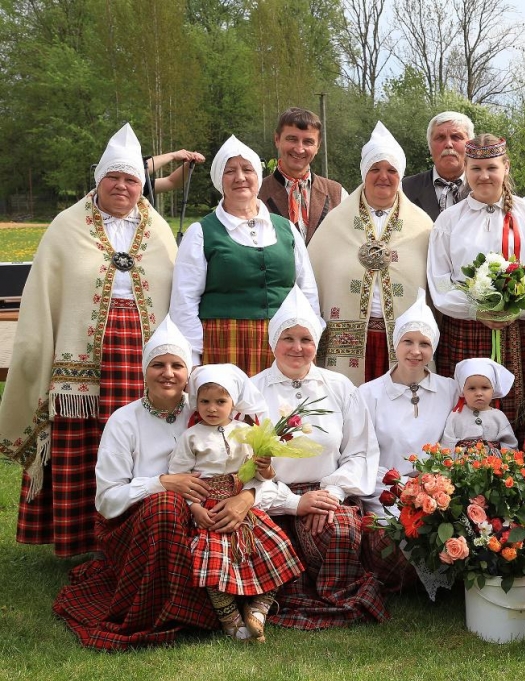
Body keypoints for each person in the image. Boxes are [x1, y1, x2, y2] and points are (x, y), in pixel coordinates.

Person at [0, 123, 177, 557]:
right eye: (113, 178)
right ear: (98, 179)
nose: (122, 186)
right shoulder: (66, 226)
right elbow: (43, 296)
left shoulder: (159, 232)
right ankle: (82, 538)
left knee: (141, 437)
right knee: (83, 443)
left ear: (142, 185)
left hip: (141, 353)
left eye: (131, 179)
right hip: (79, 360)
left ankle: (140, 536)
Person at [53, 318, 220, 649]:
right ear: (144, 371)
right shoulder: (124, 420)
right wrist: (160, 483)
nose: (167, 373)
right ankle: (169, 612)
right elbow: (107, 501)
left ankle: (229, 604)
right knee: (166, 506)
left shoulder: (208, 410)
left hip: (204, 515)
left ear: (189, 374)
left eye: (177, 365)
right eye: (158, 364)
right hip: (139, 525)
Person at [251, 287, 389, 629]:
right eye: (288, 338)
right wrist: (295, 502)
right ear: (273, 342)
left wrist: (331, 496)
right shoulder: (251, 392)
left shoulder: (340, 387)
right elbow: (244, 465)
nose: (297, 348)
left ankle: (332, 598)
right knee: (267, 539)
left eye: (306, 339)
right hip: (270, 495)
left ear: (317, 344)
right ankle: (280, 597)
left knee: (339, 530)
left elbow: (360, 450)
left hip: (328, 492)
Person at [427, 134, 525, 443]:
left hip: (518, 329)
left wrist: (514, 308)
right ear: (465, 169)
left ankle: (519, 478)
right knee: (465, 413)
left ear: (506, 167)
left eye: (491, 167)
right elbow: (440, 281)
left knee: (517, 412)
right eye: (475, 169)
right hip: (466, 328)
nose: (484, 176)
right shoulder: (449, 221)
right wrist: (476, 309)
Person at [169, 364, 302, 643]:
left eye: (221, 401)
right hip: (210, 507)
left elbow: (264, 475)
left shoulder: (246, 432)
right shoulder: (191, 436)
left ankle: (258, 609)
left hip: (244, 505)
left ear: (233, 402)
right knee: (213, 558)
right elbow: (180, 476)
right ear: (196, 402)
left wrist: (264, 467)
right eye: (205, 401)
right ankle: (229, 616)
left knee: (275, 547)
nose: (212, 408)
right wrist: (195, 508)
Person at [170, 135, 323, 376]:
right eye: (230, 171)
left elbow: (307, 292)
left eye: (247, 169)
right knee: (230, 412)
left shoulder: (285, 228)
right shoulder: (201, 232)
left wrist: (309, 339)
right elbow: (184, 300)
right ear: (219, 179)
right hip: (224, 341)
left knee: (280, 411)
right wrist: (193, 357)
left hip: (283, 343)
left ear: (257, 177)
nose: (240, 177)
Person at [310, 122, 433, 386]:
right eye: (375, 169)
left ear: (401, 175)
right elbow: (313, 276)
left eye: (391, 170)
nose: (383, 177)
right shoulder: (335, 222)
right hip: (349, 342)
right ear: (364, 172)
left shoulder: (423, 226)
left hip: (401, 340)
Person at [358, 288, 459, 519]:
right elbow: (362, 457)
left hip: (441, 497)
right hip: (386, 496)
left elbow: (455, 446)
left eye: (424, 344)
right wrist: (404, 489)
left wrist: (434, 488)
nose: (415, 351)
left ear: (433, 348)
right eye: (408, 342)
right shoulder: (368, 394)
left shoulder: (450, 390)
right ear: (395, 343)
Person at [259, 107, 348, 244]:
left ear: (318, 146)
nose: (299, 149)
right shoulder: (256, 193)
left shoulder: (338, 194)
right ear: (277, 139)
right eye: (292, 139)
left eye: (308, 142)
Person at [402, 112, 474, 220]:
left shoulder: (485, 188)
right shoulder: (404, 189)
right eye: (440, 137)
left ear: (470, 145)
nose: (448, 144)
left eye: (456, 137)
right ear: (429, 146)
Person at [441, 358, 517, 450]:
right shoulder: (456, 416)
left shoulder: (499, 416)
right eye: (472, 388)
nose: (479, 393)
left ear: (493, 390)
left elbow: (510, 444)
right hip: (462, 463)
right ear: (462, 390)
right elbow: (447, 444)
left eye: (485, 388)